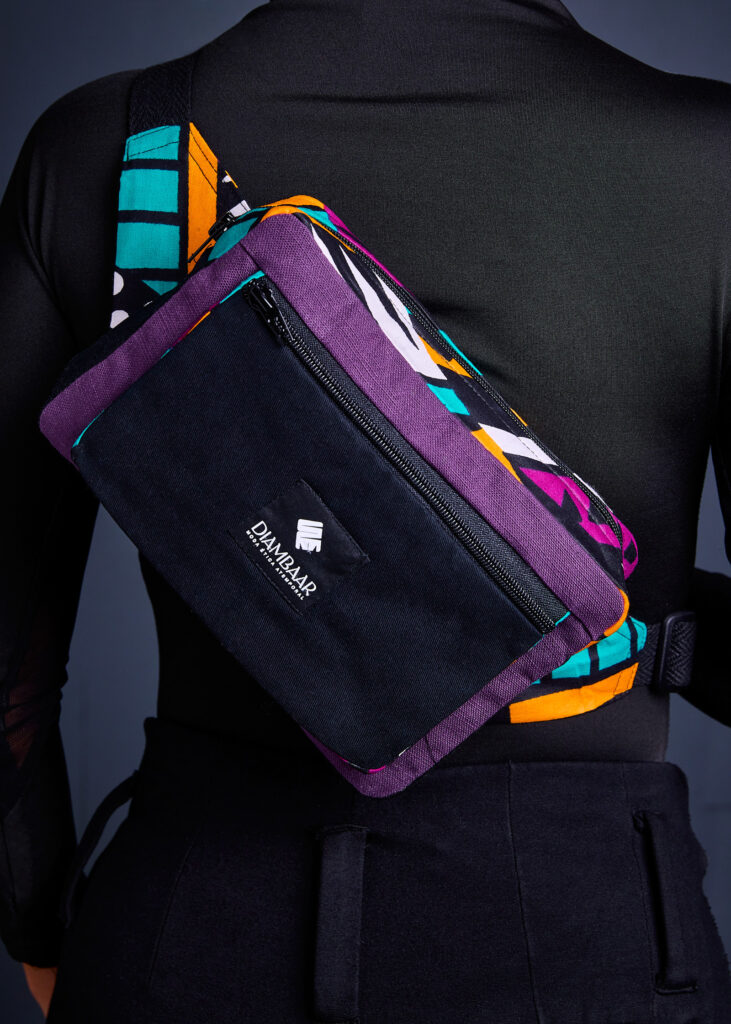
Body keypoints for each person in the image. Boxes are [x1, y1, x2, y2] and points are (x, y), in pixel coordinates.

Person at [2, 0, 730, 1020]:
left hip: (182, 923)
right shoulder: (711, 157)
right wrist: (659, 632)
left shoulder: (110, 144)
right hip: (588, 934)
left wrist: (39, 927)